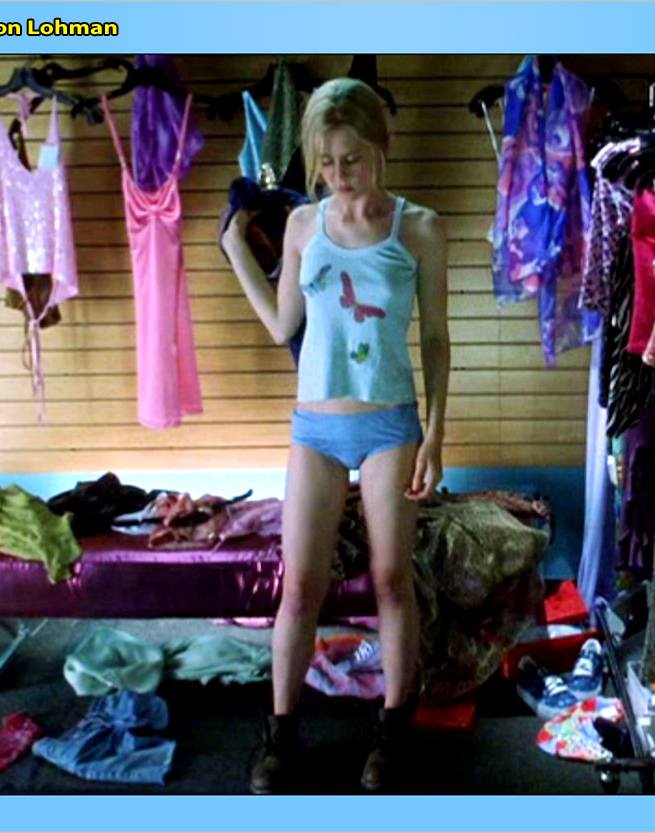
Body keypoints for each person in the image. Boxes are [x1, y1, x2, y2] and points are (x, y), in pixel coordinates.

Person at [222, 77, 450, 794]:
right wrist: (235, 248)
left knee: (390, 579)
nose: (337, 175)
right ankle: (280, 733)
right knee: (300, 587)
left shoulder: (419, 228)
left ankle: (392, 728)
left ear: (380, 147)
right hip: (315, 428)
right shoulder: (301, 226)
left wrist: (436, 434)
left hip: (389, 425)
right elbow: (282, 326)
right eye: (325, 161)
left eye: (350, 158)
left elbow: (436, 338)